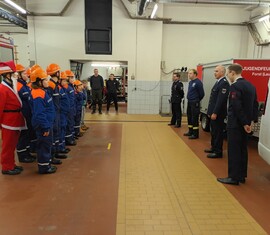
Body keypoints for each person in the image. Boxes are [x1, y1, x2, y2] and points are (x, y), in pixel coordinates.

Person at [217, 64, 258, 185]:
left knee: (234, 150)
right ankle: (241, 175)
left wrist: (244, 122)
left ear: (233, 73)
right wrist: (250, 121)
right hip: (246, 124)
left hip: (235, 123)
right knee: (242, 149)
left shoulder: (235, 86)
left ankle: (233, 177)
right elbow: (255, 105)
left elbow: (236, 106)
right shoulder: (251, 85)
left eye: (228, 73)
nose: (227, 76)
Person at [0, 61, 26, 175]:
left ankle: (11, 164)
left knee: (12, 145)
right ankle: (6, 167)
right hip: (8, 121)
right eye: (14, 73)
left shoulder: (11, 86)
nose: (16, 75)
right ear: (7, 75)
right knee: (7, 146)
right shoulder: (2, 89)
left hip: (14, 120)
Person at [30, 68, 57, 174]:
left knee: (46, 144)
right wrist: (45, 127)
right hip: (43, 125)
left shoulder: (42, 92)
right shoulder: (38, 95)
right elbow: (39, 114)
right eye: (45, 80)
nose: (47, 82)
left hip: (46, 123)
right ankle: (44, 167)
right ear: (39, 82)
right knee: (44, 146)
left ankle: (47, 163)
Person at [204, 65, 230, 158]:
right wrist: (210, 111)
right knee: (213, 131)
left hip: (218, 114)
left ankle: (218, 152)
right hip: (213, 112)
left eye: (216, 71)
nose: (214, 73)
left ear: (222, 72)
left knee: (218, 132)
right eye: (214, 71)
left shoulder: (224, 83)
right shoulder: (218, 82)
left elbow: (220, 100)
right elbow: (213, 99)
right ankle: (213, 148)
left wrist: (215, 112)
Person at [16, 64, 36, 163]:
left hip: (28, 114)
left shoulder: (24, 85)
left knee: (27, 134)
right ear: (19, 75)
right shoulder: (18, 86)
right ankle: (22, 155)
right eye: (24, 73)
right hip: (23, 114)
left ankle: (27, 153)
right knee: (22, 136)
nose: (26, 75)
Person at [184, 69, 205, 139]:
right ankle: (190, 131)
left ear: (195, 74)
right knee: (189, 116)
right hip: (189, 102)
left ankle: (195, 134)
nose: (189, 75)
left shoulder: (198, 82)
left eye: (190, 73)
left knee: (194, 118)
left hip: (195, 102)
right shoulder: (191, 82)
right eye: (189, 73)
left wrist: (196, 100)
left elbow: (202, 94)